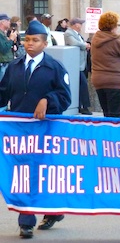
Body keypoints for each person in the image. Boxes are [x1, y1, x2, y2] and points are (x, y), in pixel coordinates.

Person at [0, 20, 71, 238]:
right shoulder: (14, 67)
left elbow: (65, 97)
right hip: (19, 131)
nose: (30, 44)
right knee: (23, 173)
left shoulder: (54, 68)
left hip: (46, 129)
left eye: (35, 40)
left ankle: (53, 211)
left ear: (45, 43)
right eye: (27, 40)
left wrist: (47, 100)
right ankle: (26, 220)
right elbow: (4, 93)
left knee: (44, 173)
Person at [90, 11, 120, 117]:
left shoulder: (96, 38)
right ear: (112, 26)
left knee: (107, 114)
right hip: (114, 81)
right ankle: (116, 133)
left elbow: (111, 45)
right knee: (117, 115)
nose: (117, 27)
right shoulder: (115, 41)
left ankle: (107, 133)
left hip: (99, 80)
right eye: (117, 25)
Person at [64, 18, 92, 115]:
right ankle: (84, 106)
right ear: (75, 24)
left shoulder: (77, 34)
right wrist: (85, 45)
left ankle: (81, 105)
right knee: (82, 85)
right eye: (80, 24)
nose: (81, 26)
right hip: (76, 64)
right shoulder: (69, 33)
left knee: (81, 85)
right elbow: (74, 43)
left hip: (81, 64)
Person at [0, 14, 17, 83]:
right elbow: (4, 49)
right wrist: (11, 39)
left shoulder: (3, 33)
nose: (9, 22)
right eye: (7, 20)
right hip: (3, 64)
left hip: (7, 62)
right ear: (2, 22)